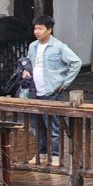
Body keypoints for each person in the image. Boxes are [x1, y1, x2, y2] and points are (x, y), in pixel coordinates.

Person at [24, 15, 81, 166]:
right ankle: (41, 154)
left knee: (52, 125)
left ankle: (56, 155)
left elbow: (76, 62)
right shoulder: (33, 46)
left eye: (40, 28)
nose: (37, 31)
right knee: (36, 125)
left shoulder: (59, 46)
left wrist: (65, 83)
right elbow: (29, 63)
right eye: (35, 28)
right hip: (34, 91)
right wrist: (26, 71)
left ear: (49, 30)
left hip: (51, 91)